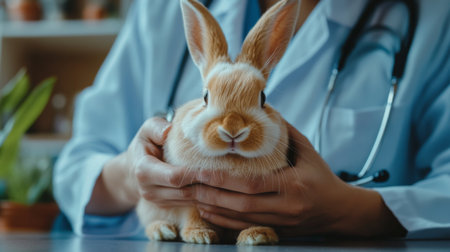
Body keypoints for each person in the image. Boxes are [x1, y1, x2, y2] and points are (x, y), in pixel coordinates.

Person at [54, 0, 450, 239]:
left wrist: (351, 209)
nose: (231, 126)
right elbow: (76, 168)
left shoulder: (430, 17)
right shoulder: (162, 9)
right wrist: (134, 174)